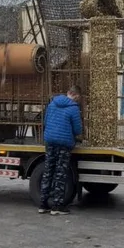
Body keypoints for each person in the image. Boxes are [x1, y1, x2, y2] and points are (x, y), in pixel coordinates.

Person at [39, 86, 83, 215]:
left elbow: (46, 121)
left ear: (67, 92)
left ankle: (43, 204)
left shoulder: (52, 103)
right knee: (60, 173)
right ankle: (57, 206)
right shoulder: (74, 108)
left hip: (50, 141)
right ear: (75, 95)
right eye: (78, 98)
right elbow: (77, 129)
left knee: (48, 171)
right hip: (64, 144)